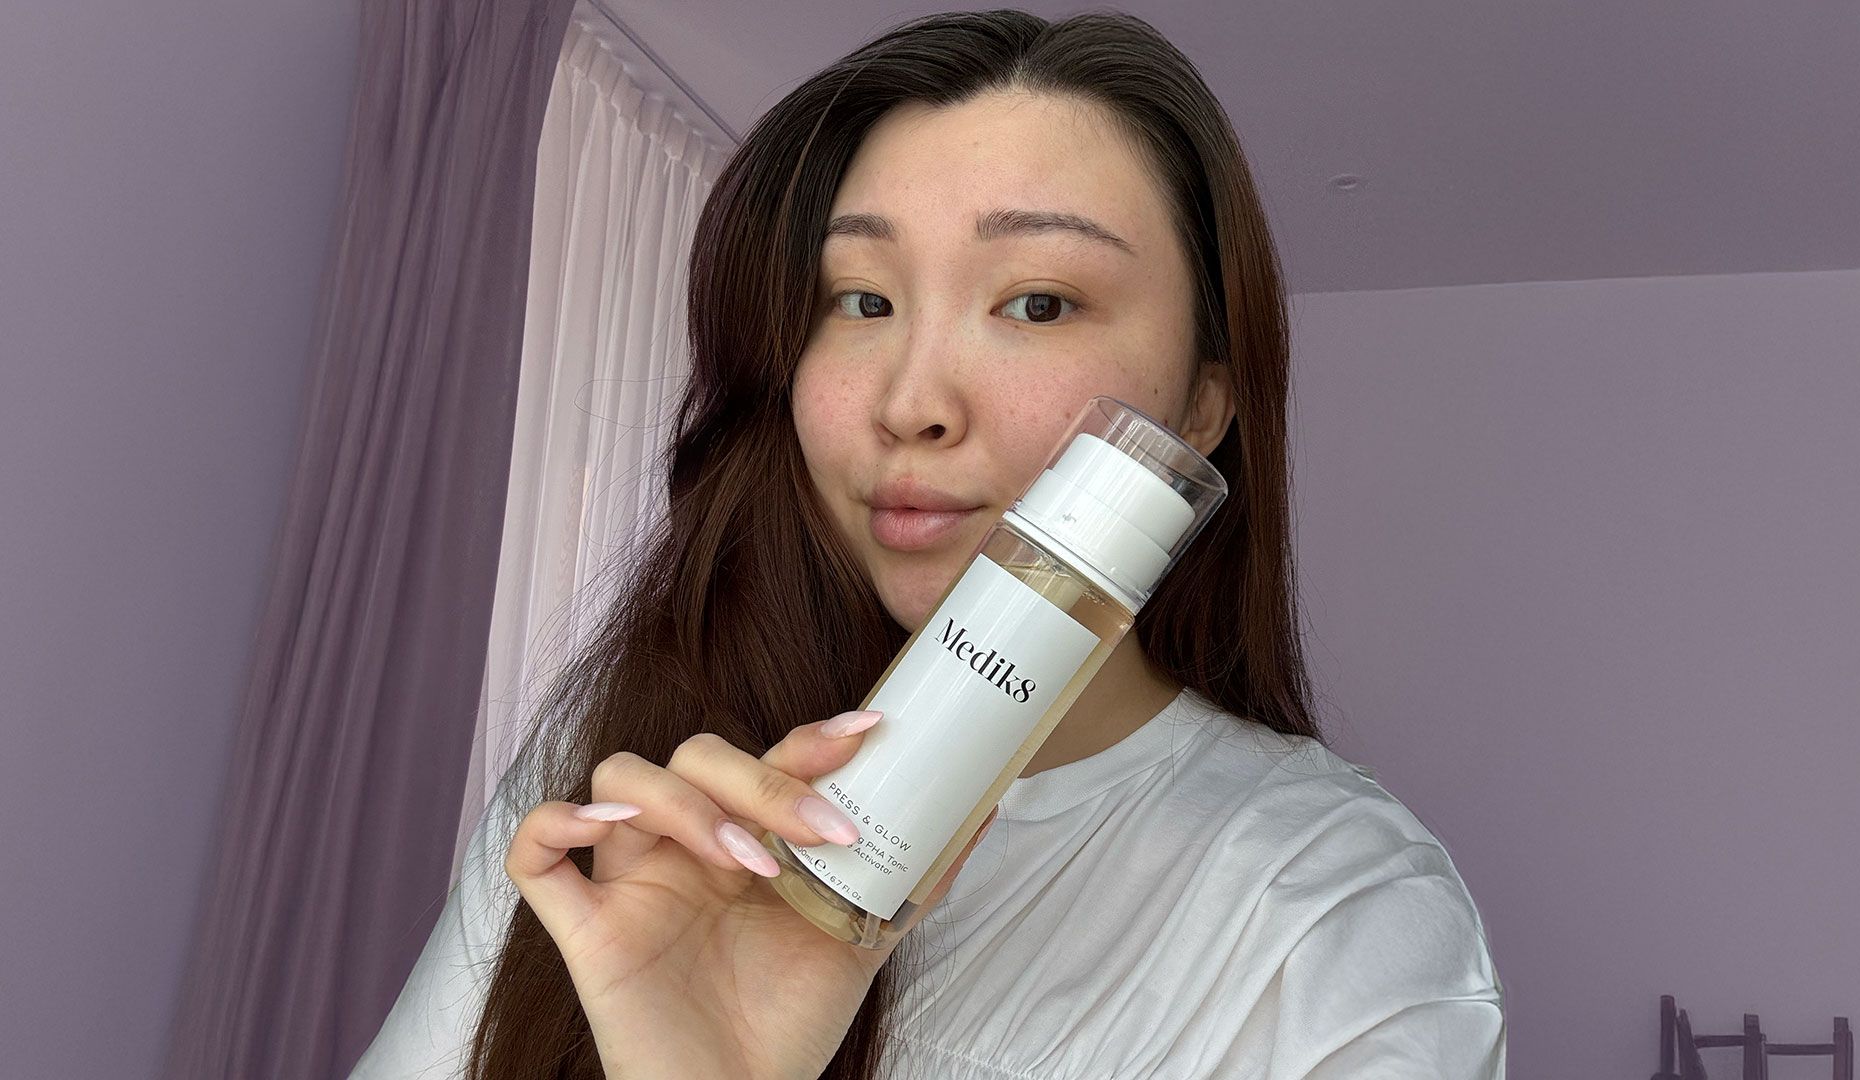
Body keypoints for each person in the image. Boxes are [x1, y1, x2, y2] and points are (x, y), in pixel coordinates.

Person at [350, 9, 1507, 1079]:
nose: (911, 404)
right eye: (860, 300)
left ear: (1201, 408)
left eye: (1038, 303)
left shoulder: (1334, 909)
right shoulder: (633, 780)